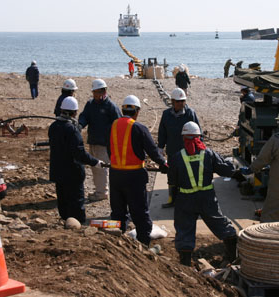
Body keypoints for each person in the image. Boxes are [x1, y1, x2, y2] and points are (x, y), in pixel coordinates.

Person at [168, 121, 238, 266]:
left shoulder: (176, 158)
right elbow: (226, 170)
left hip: (185, 199)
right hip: (207, 199)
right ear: (199, 137)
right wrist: (235, 168)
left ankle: (185, 265)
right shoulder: (208, 154)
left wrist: (174, 199)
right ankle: (233, 256)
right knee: (220, 224)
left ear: (183, 138)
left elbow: (172, 181)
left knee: (185, 230)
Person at [108, 95, 168, 246]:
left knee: (118, 212)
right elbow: (153, 151)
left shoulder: (113, 126)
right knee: (140, 212)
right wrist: (163, 163)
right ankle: (144, 243)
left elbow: (110, 149)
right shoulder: (139, 128)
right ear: (137, 111)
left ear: (123, 109)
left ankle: (117, 241)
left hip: (115, 175)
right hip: (134, 176)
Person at [49, 96, 102, 223]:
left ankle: (65, 221)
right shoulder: (72, 129)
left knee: (62, 199)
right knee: (76, 201)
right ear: (74, 112)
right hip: (72, 172)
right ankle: (78, 224)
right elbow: (79, 153)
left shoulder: (54, 126)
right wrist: (95, 162)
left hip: (58, 171)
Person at [79, 79, 122, 201]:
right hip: (93, 140)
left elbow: (119, 124)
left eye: (97, 92)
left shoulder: (111, 107)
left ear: (104, 91)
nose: (95, 95)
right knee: (95, 167)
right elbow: (84, 116)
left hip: (104, 143)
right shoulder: (91, 104)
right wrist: (80, 124)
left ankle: (102, 192)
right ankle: (100, 190)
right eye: (94, 92)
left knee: (101, 168)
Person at [158, 88, 200, 208]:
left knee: (189, 176)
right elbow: (162, 132)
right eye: (178, 101)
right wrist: (160, 148)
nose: (181, 104)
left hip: (188, 152)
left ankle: (189, 201)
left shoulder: (190, 113)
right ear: (172, 101)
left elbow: (198, 132)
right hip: (172, 151)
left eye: (183, 101)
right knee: (172, 177)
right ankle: (172, 200)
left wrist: (199, 148)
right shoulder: (166, 115)